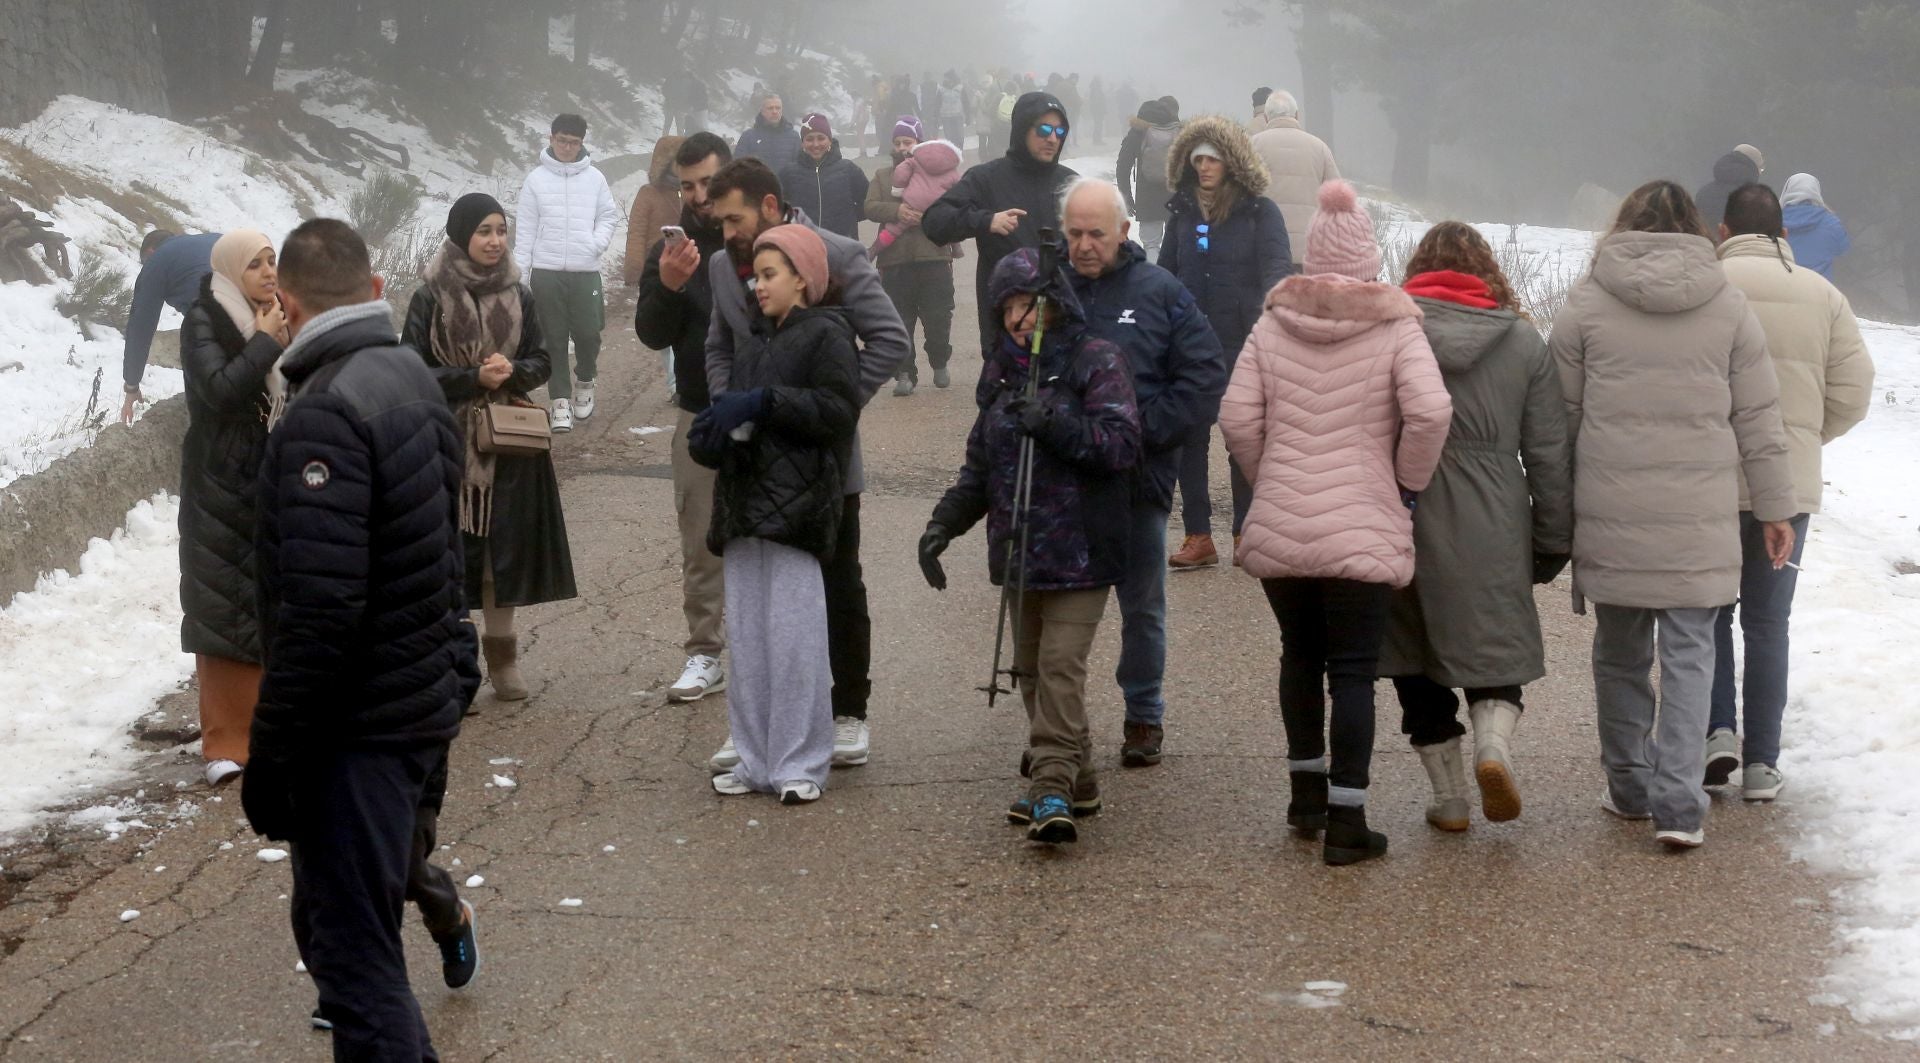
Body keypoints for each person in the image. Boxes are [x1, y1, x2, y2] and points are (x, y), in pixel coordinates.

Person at [243, 218, 478, 1058]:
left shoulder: (323, 412)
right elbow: (443, 552)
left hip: (358, 729)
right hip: (413, 701)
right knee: (342, 930)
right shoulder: (410, 376)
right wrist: (454, 665)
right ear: (377, 291)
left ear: (287, 304)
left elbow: (320, 608)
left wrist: (271, 753)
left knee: (354, 963)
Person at [1548, 180, 1796, 850]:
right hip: (1699, 517)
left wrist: (1556, 507)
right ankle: (1681, 804)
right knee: (1691, 653)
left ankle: (1629, 786)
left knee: (1621, 651)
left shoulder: (1587, 302)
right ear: (1695, 230)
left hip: (1612, 510)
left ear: (1623, 226)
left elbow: (1557, 422)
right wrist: (1776, 507)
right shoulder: (1728, 305)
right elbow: (1760, 420)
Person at [1218, 180, 1452, 866]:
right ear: (1370, 262)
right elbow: (1432, 412)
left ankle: (1305, 798)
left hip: (1285, 518)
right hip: (1362, 519)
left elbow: (1236, 417)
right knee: (1352, 669)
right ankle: (1348, 821)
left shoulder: (1271, 322)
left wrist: (1272, 480)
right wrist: (1405, 482)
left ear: (1311, 259)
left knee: (1299, 653)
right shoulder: (1395, 325)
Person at [919, 247, 1142, 843]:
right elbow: (979, 470)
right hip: (1020, 549)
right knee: (1030, 673)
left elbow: (1120, 446)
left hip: (1084, 549)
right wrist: (942, 526)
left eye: (1032, 304)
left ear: (1057, 305)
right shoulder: (999, 375)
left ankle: (1049, 788)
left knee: (1059, 669)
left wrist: (1057, 424)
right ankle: (1082, 777)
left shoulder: (1096, 360)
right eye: (1010, 307)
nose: (1021, 318)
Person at [703, 158, 910, 775]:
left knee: (839, 579)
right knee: (755, 597)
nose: (726, 234)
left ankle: (847, 711)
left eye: (734, 218)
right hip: (749, 457)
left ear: (769, 206)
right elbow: (720, 344)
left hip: (821, 457)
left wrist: (833, 406)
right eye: (720, 222)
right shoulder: (722, 267)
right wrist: (727, 407)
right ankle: (759, 730)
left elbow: (892, 341)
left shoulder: (839, 254)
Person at [1380, 222, 1573, 831]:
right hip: (1494, 514)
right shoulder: (1522, 342)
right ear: (1488, 271)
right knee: (1494, 649)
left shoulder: (1392, 331)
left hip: (1405, 505)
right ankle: (1494, 746)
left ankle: (1450, 798)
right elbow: (1547, 453)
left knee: (1415, 653)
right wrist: (1551, 540)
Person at [1706, 183, 1873, 800]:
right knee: (1769, 623)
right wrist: (1803, 439)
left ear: (1723, 232)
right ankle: (1762, 765)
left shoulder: (1710, 290)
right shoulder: (1824, 295)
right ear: (1785, 233)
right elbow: (1854, 391)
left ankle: (1716, 730)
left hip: (1710, 479)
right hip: (1790, 488)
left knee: (1710, 614)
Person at [692, 224, 861, 805]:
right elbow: (737, 414)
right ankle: (755, 756)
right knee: (751, 640)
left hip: (797, 512)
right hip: (743, 510)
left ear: (803, 280)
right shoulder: (753, 340)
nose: (757, 285)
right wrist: (712, 435)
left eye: (770, 275)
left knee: (794, 641)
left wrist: (766, 402)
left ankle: (801, 762)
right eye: (755, 276)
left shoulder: (829, 335)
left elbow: (838, 410)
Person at [1060, 178, 1225, 766]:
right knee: (1058, 615)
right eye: (1074, 233)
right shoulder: (1048, 291)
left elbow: (1205, 377)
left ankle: (1143, 716)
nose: (1084, 245)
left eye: (1095, 234)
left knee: (1143, 609)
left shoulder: (1161, 291)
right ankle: (1060, 731)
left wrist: (1142, 431)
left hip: (1137, 481)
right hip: (1064, 481)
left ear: (1124, 232)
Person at [403, 191, 578, 701]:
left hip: (510, 440)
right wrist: (469, 377)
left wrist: (511, 372)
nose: (495, 241)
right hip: (447, 443)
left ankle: (503, 661)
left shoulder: (519, 293)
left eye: (501, 230)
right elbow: (410, 368)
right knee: (453, 552)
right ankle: (458, 667)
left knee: (504, 554)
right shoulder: (430, 295)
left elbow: (543, 359)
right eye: (484, 231)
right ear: (461, 235)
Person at [178, 229, 289, 788]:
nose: (269, 273)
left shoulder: (276, 313)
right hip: (220, 477)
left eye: (272, 261)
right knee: (222, 604)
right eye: (255, 265)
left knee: (273, 599)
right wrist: (266, 342)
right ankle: (224, 742)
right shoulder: (204, 319)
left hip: (273, 470)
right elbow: (220, 392)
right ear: (228, 271)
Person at [1158, 116, 1293, 570]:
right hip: (1189, 340)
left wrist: (1274, 313)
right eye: (1197, 158)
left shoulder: (1259, 211)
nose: (1204, 166)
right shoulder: (1181, 210)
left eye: (1212, 158)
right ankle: (1199, 535)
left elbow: (1277, 266)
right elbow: (1165, 271)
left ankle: (1246, 532)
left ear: (1232, 160)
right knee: (1189, 438)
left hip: (1243, 339)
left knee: (1243, 438)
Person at [635, 132, 735, 703]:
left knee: (777, 542)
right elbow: (652, 334)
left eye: (708, 183)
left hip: (767, 413)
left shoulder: (759, 238)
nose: (698, 195)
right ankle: (704, 652)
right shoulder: (671, 250)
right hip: (699, 413)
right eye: (688, 184)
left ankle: (780, 649)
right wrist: (670, 286)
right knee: (700, 543)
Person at [923, 91, 1078, 340]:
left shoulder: (1070, 183)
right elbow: (934, 221)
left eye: (1060, 132)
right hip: (1006, 325)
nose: (1052, 138)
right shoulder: (986, 178)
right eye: (1043, 130)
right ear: (1021, 129)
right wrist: (984, 221)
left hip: (1060, 321)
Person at [514, 113, 619, 433]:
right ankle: (560, 400)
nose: (567, 147)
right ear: (551, 138)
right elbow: (526, 230)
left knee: (589, 333)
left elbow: (608, 217)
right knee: (553, 338)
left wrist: (595, 243)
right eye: (562, 140)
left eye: (574, 143)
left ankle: (585, 380)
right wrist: (520, 274)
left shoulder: (595, 179)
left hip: (585, 270)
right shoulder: (535, 180)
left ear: (582, 144)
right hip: (546, 271)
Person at [866, 116, 960, 396]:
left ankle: (939, 359)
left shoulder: (940, 172)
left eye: (908, 142)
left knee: (938, 317)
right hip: (894, 261)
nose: (903, 147)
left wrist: (930, 216)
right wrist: (896, 212)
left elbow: (957, 206)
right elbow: (869, 207)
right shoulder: (883, 176)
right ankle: (904, 373)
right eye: (897, 142)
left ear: (920, 142)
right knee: (898, 320)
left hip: (934, 255)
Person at [121, 229, 221, 424]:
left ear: (150, 252)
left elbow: (140, 327)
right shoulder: (211, 238)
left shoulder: (157, 260)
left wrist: (131, 384)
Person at [1250, 91, 1340, 265]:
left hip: (1265, 249)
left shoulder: (1252, 146)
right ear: (1297, 115)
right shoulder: (1319, 148)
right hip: (1311, 252)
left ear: (1266, 118)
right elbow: (1339, 201)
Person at [779, 113, 867, 242]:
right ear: (802, 143)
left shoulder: (848, 170)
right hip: (801, 245)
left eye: (821, 138)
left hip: (843, 245)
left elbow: (868, 201)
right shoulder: (788, 173)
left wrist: (848, 219)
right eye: (809, 139)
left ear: (830, 140)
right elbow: (777, 209)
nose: (815, 144)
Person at [1115, 99, 1181, 253]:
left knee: (1151, 245)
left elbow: (1123, 166)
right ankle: (1175, 276)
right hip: (1176, 196)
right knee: (1177, 245)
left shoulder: (1138, 132)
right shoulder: (1178, 131)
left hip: (1148, 199)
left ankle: (1155, 276)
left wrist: (1126, 196)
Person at [623, 135, 685, 286]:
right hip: (655, 266)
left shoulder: (693, 192)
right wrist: (635, 270)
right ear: (666, 163)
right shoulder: (648, 193)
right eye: (679, 160)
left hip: (687, 265)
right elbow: (637, 233)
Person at [1781, 173, 1853, 281]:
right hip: (1820, 287)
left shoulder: (1773, 220)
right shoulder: (1830, 222)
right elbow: (1844, 249)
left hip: (1784, 285)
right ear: (1816, 192)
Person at [1694, 146, 1762, 233]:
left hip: (1709, 244)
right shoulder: (1757, 199)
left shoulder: (1703, 193)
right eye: (1760, 169)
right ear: (1753, 168)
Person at [735, 94, 801, 173]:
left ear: (782, 110)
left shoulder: (793, 137)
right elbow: (737, 167)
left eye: (778, 108)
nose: (774, 111)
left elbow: (800, 168)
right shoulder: (748, 136)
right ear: (762, 111)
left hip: (785, 184)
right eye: (770, 108)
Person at [665, 66, 709, 136]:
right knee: (688, 126)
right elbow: (688, 95)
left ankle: (687, 140)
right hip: (685, 107)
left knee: (700, 127)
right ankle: (685, 140)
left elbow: (700, 97)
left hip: (698, 109)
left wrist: (691, 105)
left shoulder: (697, 84)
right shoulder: (688, 83)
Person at [936, 70, 969, 148]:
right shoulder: (941, 89)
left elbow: (966, 102)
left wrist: (968, 116)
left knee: (960, 137)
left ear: (952, 78)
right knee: (949, 138)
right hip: (946, 117)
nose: (945, 80)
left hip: (958, 116)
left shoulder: (960, 88)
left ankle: (959, 152)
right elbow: (937, 104)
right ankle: (952, 153)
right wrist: (936, 117)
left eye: (947, 78)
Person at [1087, 75, 1108, 145]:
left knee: (1098, 125)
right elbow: (1098, 101)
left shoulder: (1094, 89)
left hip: (1096, 110)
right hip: (1098, 111)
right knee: (1098, 125)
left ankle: (1097, 140)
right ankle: (1097, 140)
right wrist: (1102, 109)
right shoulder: (1096, 89)